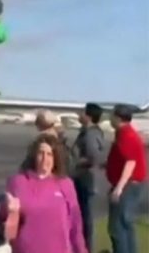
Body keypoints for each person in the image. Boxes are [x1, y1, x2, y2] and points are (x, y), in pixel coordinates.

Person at [5, 134, 87, 253]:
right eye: (40, 153)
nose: (45, 159)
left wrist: (81, 250)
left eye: (49, 154)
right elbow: (5, 226)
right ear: (34, 156)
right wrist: (6, 209)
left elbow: (76, 223)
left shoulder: (65, 184)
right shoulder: (18, 182)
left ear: (55, 158)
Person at [105, 104, 147, 253]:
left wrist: (119, 188)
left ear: (118, 117)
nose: (109, 118)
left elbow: (130, 162)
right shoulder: (124, 133)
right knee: (125, 224)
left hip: (129, 185)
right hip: (132, 184)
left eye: (111, 115)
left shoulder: (126, 135)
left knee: (117, 227)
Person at [71, 103, 107, 252]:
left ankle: (86, 248)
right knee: (84, 216)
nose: (79, 114)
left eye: (82, 112)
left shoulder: (91, 134)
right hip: (86, 178)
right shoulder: (89, 132)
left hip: (85, 179)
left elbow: (94, 157)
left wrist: (76, 163)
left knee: (85, 217)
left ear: (89, 116)